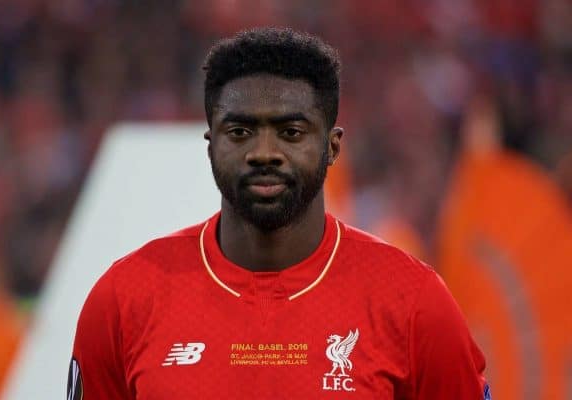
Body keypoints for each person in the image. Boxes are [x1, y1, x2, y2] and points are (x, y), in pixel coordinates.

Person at [68, 27, 489, 400]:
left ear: (332, 146)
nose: (264, 153)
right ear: (211, 144)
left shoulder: (414, 303)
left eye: (291, 132)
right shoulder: (124, 300)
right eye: (240, 132)